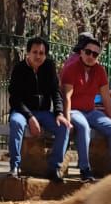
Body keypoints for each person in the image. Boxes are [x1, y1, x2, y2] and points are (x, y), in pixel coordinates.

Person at [60, 33, 111, 182]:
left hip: (91, 111)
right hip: (74, 110)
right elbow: (66, 97)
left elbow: (106, 98)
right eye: (88, 52)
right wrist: (67, 120)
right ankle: (85, 169)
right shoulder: (71, 68)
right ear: (81, 51)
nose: (91, 56)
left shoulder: (100, 71)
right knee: (84, 127)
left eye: (95, 54)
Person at [7, 36, 69, 182]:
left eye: (41, 53)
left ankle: (54, 168)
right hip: (22, 111)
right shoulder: (19, 69)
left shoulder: (49, 67)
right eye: (35, 52)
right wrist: (30, 117)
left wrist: (59, 113)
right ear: (28, 52)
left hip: (44, 112)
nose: (38, 56)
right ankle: (14, 166)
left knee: (64, 127)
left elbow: (56, 92)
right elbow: (14, 98)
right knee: (16, 123)